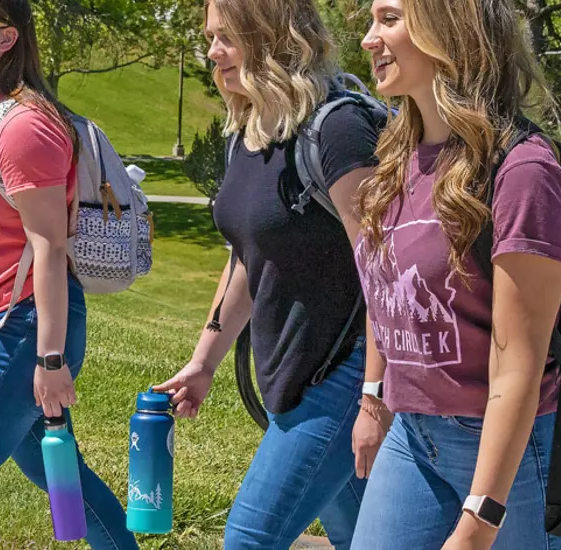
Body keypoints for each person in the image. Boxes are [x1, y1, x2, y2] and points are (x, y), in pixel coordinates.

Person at [348, 0, 561, 548]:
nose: (369, 39)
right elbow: (386, 294)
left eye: (389, 19)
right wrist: (374, 398)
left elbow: (517, 370)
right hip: (413, 435)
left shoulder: (523, 173)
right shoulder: (398, 157)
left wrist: (480, 521)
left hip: (512, 456)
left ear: (446, 28)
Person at [151, 0, 388, 548]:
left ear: (270, 37)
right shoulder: (253, 128)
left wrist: (376, 399)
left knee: (250, 538)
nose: (212, 51)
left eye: (225, 37)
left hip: (344, 375)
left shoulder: (339, 130)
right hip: (298, 375)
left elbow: (385, 269)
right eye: (210, 37)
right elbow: (249, 254)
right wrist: (203, 361)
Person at [0, 1, 138, 548]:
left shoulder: (23, 125)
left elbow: (48, 246)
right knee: (62, 475)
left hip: (22, 329)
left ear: (7, 37)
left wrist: (50, 359)